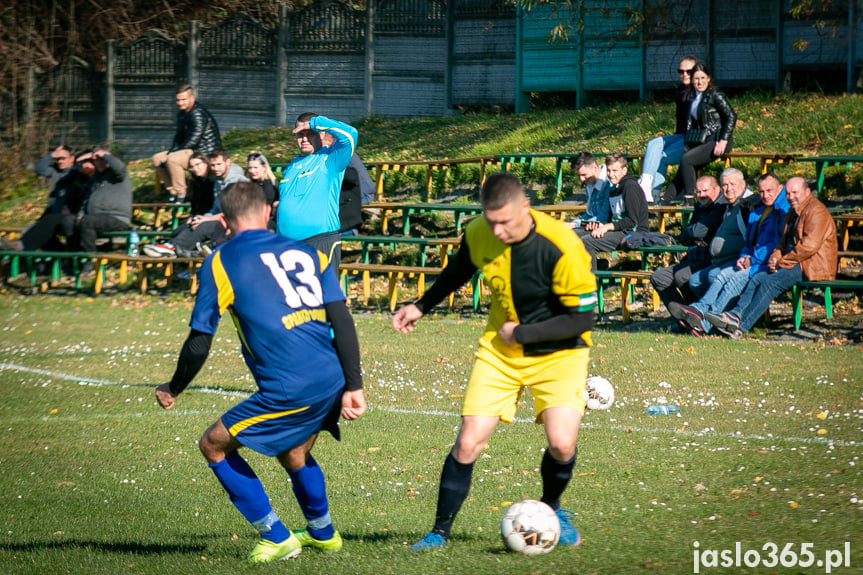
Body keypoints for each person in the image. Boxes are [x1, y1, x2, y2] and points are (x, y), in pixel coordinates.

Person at [154, 181, 366, 562]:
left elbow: (200, 340)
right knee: (292, 451)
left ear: (223, 220)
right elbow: (342, 319)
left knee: (213, 444)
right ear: (269, 211)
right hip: (331, 376)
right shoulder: (307, 253)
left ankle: (277, 536)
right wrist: (354, 384)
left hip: (290, 385)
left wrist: (174, 386)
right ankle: (323, 532)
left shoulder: (221, 261)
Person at [391, 172, 596, 551]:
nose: (497, 231)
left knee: (562, 444)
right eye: (490, 221)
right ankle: (439, 532)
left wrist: (522, 334)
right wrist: (421, 306)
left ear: (525, 207)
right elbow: (460, 270)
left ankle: (552, 508)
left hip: (560, 353)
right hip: (500, 353)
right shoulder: (479, 231)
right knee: (468, 442)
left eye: (505, 222)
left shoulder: (563, 246)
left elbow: (582, 319)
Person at [706, 177, 837, 338]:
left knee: (770, 283)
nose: (791, 197)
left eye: (795, 192)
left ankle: (741, 328)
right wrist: (775, 257)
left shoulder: (816, 211)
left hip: (810, 264)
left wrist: (781, 262)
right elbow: (781, 241)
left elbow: (809, 246)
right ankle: (734, 314)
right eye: (788, 193)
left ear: (807, 192)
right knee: (757, 277)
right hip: (793, 261)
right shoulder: (792, 211)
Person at [669, 173, 789, 335]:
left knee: (729, 278)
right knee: (712, 277)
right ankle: (698, 311)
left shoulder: (782, 210)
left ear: (780, 189)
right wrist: (744, 256)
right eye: (761, 191)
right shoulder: (759, 208)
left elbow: (775, 244)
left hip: (768, 263)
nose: (765, 195)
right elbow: (751, 240)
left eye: (769, 191)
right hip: (750, 259)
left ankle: (703, 324)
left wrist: (751, 259)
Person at [276, 113, 357, 271]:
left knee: (323, 295)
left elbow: (351, 134)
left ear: (320, 133)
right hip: (288, 247)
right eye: (301, 134)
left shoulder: (330, 159)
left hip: (320, 242)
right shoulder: (290, 167)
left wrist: (315, 123)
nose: (304, 138)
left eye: (310, 133)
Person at [143, 149, 247, 258]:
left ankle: (173, 248)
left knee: (202, 227)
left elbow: (234, 213)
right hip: (220, 219)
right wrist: (200, 217)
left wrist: (205, 219)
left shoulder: (237, 182)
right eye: (213, 165)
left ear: (227, 162)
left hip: (233, 223)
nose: (216, 168)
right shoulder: (218, 181)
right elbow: (215, 209)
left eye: (219, 164)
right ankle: (171, 246)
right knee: (191, 224)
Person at [661, 63, 736, 205]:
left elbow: (730, 116)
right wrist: (689, 143)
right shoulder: (695, 97)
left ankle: (689, 198)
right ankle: (665, 199)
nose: (699, 82)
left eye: (702, 78)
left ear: (708, 78)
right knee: (684, 165)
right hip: (703, 141)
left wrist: (724, 140)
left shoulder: (715, 95)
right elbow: (695, 123)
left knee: (686, 160)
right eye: (696, 79)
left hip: (717, 140)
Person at [649, 174, 725, 311]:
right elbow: (683, 236)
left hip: (709, 260)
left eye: (705, 191)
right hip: (693, 258)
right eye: (698, 192)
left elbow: (697, 232)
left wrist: (692, 234)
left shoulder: (720, 207)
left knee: (681, 276)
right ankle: (682, 316)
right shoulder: (700, 207)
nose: (701, 195)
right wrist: (693, 236)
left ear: (716, 189)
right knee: (658, 277)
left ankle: (696, 315)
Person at [686, 168, 757, 300]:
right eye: (725, 185)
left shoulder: (748, 206)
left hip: (738, 260)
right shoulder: (726, 206)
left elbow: (755, 238)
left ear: (743, 184)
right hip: (718, 260)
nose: (728, 188)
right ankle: (711, 312)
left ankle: (723, 314)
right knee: (695, 281)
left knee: (713, 276)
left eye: (732, 184)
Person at [1, 147, 88, 252]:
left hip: (68, 215)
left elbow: (78, 195)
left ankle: (20, 246)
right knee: (32, 229)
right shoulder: (56, 171)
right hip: (54, 213)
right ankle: (56, 255)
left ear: (72, 159)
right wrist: (51, 156)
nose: (60, 161)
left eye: (63, 158)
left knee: (43, 227)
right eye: (58, 159)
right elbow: (39, 169)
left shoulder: (77, 173)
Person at [638, 55, 698, 203]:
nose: (684, 74)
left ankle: (654, 193)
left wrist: (688, 143)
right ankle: (646, 186)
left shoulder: (699, 93)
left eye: (688, 71)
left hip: (696, 140)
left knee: (662, 157)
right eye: (681, 71)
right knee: (653, 144)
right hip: (682, 136)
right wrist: (674, 141)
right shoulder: (680, 91)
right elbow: (681, 122)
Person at [152, 84, 222, 203]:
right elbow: (178, 137)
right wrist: (170, 152)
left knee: (173, 160)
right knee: (157, 159)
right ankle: (172, 191)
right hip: (190, 150)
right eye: (178, 100)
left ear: (192, 99)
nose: (180, 103)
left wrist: (173, 155)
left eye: (183, 99)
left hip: (204, 152)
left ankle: (182, 193)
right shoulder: (181, 114)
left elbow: (194, 138)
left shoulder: (197, 113)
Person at [579, 152, 649, 270]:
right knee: (575, 234)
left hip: (633, 232)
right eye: (608, 171)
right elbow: (614, 218)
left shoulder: (630, 187)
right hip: (618, 229)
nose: (611, 175)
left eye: (615, 171)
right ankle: (598, 266)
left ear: (624, 170)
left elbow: (632, 221)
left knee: (587, 241)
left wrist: (607, 227)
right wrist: (600, 225)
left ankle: (591, 283)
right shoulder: (613, 187)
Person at [68, 146, 133, 265]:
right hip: (95, 217)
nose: (99, 161)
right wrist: (80, 215)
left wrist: (104, 155)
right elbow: (86, 200)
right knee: (68, 222)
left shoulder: (118, 174)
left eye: (101, 158)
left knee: (87, 221)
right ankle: (73, 259)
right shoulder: (95, 178)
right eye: (96, 160)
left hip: (116, 218)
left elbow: (119, 166)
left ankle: (91, 260)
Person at [568, 151, 611, 231]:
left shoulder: (608, 183)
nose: (581, 179)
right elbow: (589, 213)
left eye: (584, 175)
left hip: (605, 225)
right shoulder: (590, 182)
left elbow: (603, 217)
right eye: (579, 175)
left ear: (595, 167)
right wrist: (573, 223)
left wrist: (576, 224)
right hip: (593, 224)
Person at [246, 151, 278, 231]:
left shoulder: (269, 185)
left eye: (255, 168)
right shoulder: (252, 183)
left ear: (264, 167)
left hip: (268, 220)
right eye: (250, 168)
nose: (252, 171)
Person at [187, 152, 215, 216]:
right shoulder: (194, 182)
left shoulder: (214, 180)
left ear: (205, 163)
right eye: (192, 167)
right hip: (198, 216)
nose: (195, 169)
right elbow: (194, 205)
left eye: (197, 164)